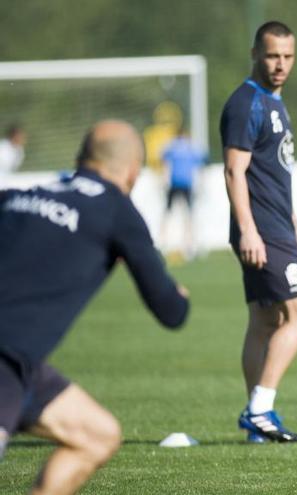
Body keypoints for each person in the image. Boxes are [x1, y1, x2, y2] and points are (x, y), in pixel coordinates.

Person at [0, 120, 190, 494]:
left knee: (97, 435)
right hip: (3, 359)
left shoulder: (18, 195)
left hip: (22, 365)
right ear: (134, 172)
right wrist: (178, 295)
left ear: (80, 158)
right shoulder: (118, 210)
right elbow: (170, 311)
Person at [221, 20, 297, 444]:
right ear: (255, 54)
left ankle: (255, 423)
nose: (280, 65)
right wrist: (248, 231)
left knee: (265, 320)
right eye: (273, 55)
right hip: (261, 230)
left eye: (288, 57)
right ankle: (259, 409)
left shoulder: (275, 102)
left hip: (278, 227)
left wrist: (296, 227)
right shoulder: (246, 103)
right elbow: (233, 171)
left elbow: (276, 174)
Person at [160, 127, 208, 259]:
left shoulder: (171, 147)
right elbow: (201, 166)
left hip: (174, 184)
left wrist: (164, 181)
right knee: (188, 216)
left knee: (168, 214)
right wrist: (202, 184)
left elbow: (165, 164)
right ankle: (189, 247)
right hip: (186, 184)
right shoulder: (191, 148)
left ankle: (163, 244)